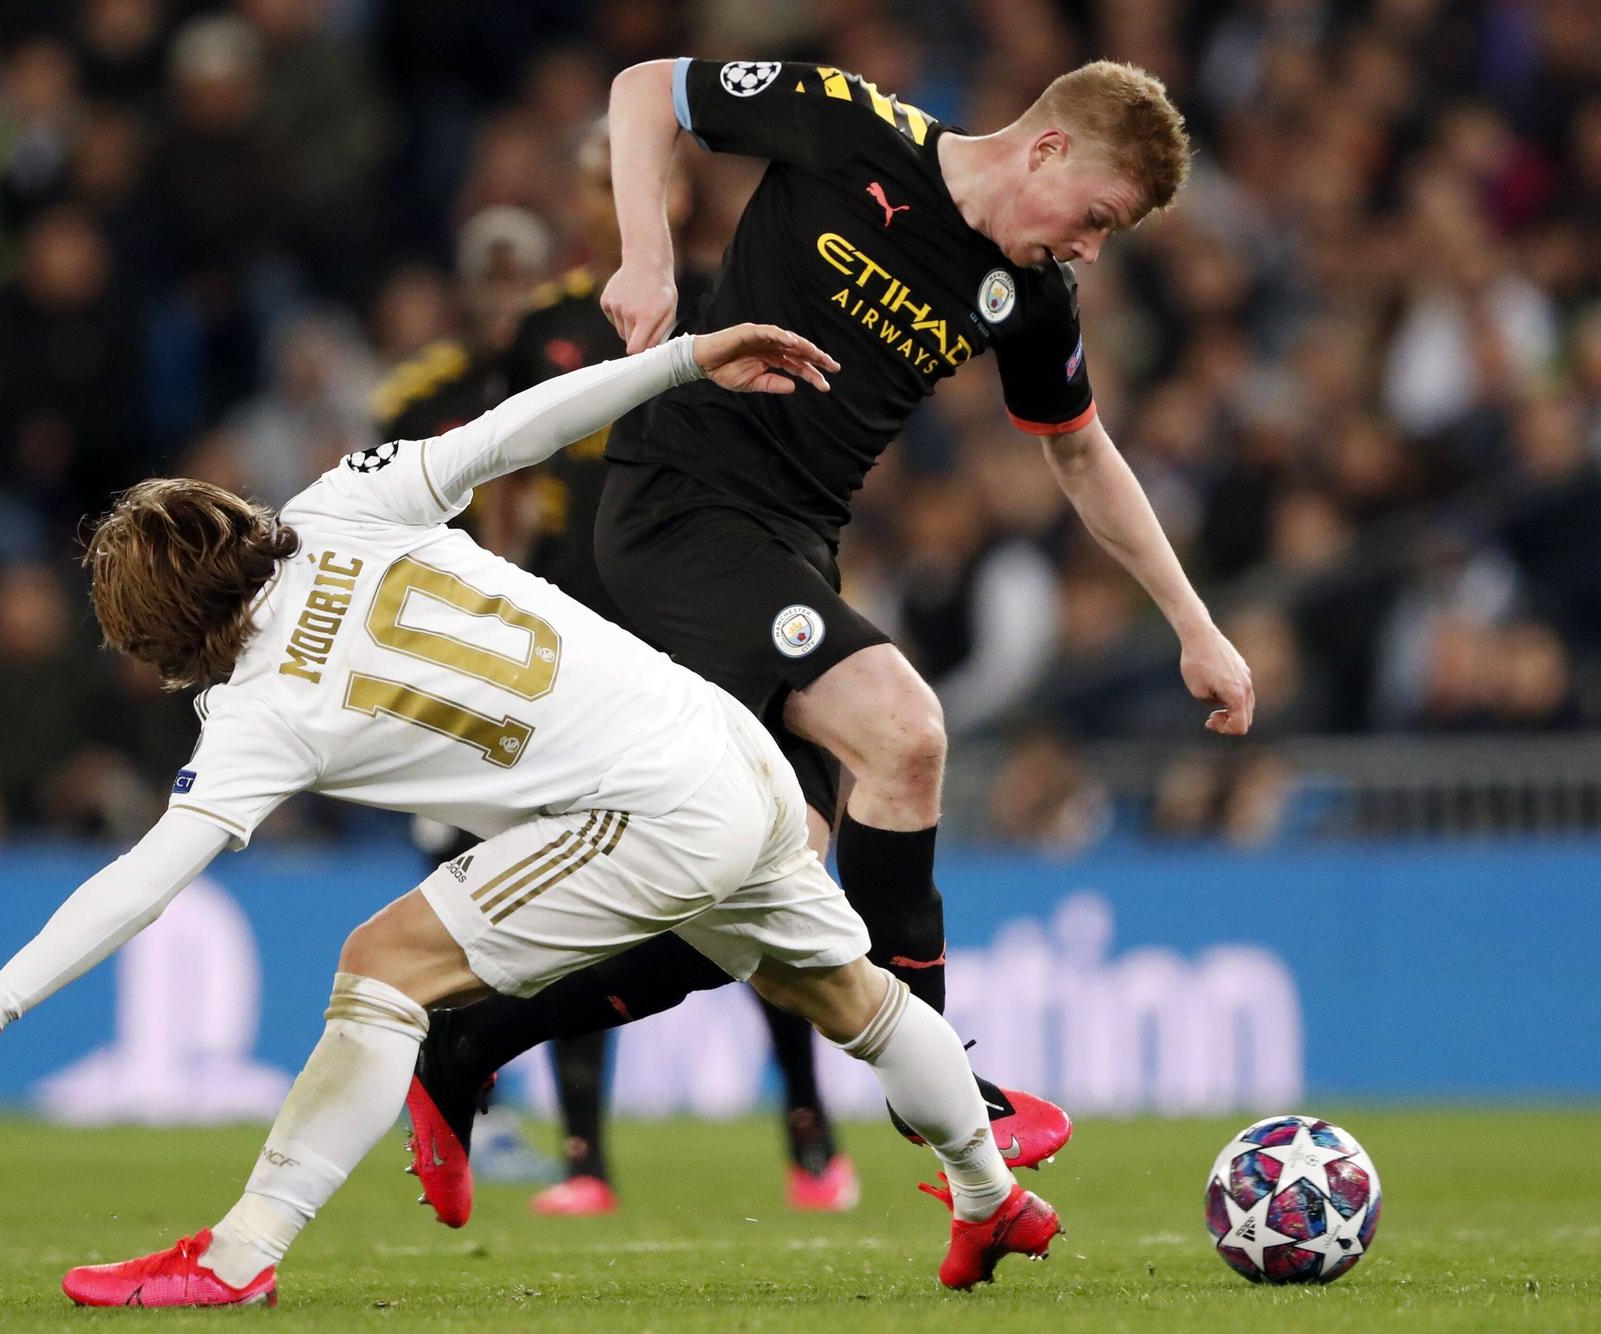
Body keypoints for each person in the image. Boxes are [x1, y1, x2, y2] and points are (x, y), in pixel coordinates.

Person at [0, 323, 1063, 1308]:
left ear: (159, 642)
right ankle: (989, 1199)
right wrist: (688, 356)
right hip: (727, 746)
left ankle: (239, 1255)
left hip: (648, 805)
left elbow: (146, 875)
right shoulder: (338, 504)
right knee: (837, 988)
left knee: (380, 963)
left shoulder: (256, 712)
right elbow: (520, 428)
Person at [405, 57, 1254, 1223]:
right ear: (1046, 150)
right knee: (902, 731)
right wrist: (644, 254)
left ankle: (465, 1047)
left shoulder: (1029, 292)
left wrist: (1193, 625)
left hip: (792, 548)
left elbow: (1077, 447)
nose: (1089, 249)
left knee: (759, 887)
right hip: (676, 507)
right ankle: (933, 1079)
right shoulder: (854, 129)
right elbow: (648, 88)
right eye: (1096, 218)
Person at [486, 120, 856, 1216]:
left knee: (754, 869)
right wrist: (508, 582)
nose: (607, 197)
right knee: (572, 877)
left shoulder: (726, 308)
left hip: (699, 626)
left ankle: (806, 1125)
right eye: (593, 179)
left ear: (674, 194)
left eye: (624, 177)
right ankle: (585, 1157)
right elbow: (508, 474)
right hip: (575, 640)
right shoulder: (546, 325)